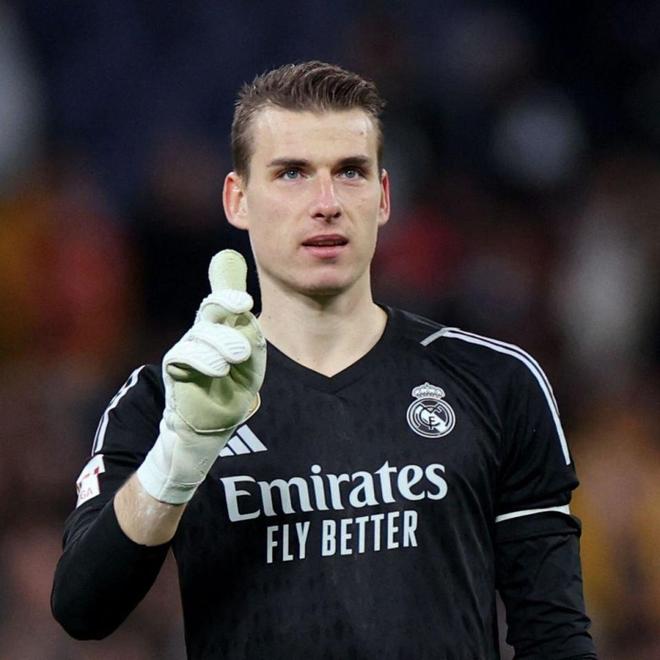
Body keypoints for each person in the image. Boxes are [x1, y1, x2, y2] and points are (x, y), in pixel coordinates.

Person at [52, 61, 597, 659]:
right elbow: (82, 607)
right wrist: (179, 455)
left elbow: (554, 635)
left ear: (383, 197)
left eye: (350, 172)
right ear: (237, 199)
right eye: (291, 173)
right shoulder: (168, 399)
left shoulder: (496, 381)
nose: (327, 203)